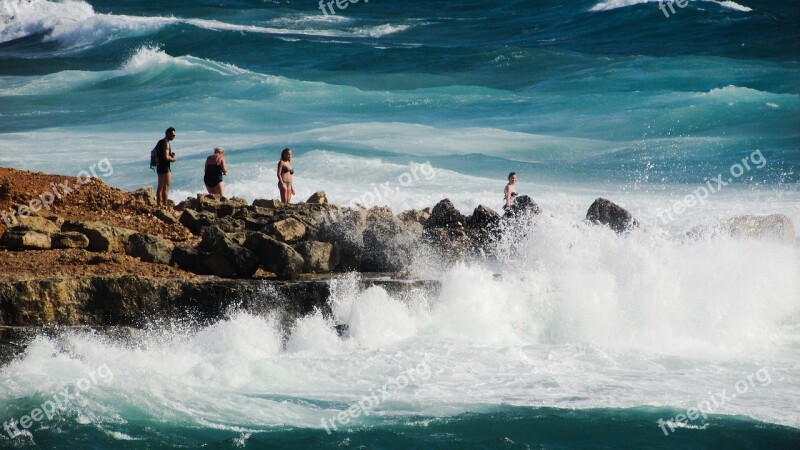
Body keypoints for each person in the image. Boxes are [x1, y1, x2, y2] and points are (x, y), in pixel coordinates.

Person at [155, 127, 177, 207]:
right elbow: (166, 157)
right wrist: (173, 158)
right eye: (173, 135)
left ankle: (158, 205)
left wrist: (169, 155)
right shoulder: (166, 143)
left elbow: (161, 154)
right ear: (168, 134)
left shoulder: (160, 142)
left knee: (159, 187)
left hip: (159, 166)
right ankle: (165, 205)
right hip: (165, 167)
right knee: (166, 188)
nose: (174, 137)